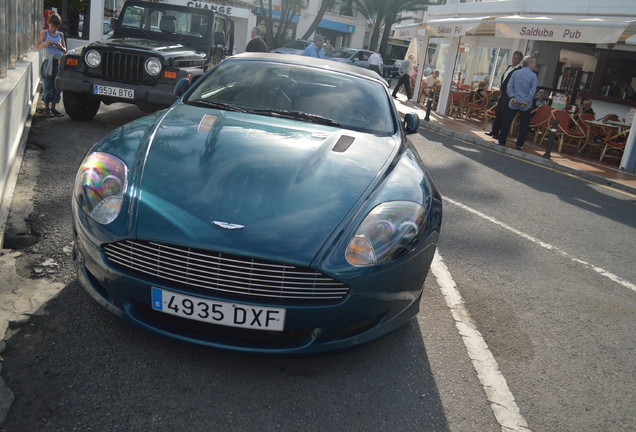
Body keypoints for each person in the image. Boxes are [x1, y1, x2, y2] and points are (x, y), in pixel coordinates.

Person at [498, 56, 538, 150]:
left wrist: (512, 97)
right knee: (524, 125)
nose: (535, 65)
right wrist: (526, 101)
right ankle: (519, 144)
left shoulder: (516, 72)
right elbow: (532, 91)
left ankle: (502, 141)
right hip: (525, 104)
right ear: (530, 63)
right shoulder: (533, 76)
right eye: (534, 63)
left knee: (507, 122)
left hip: (513, 101)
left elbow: (509, 85)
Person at [486, 50, 524, 139]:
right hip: (503, 94)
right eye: (514, 58)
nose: (515, 60)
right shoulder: (509, 67)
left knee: (504, 115)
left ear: (520, 60)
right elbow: (505, 79)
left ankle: (501, 134)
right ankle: (494, 131)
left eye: (517, 59)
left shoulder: (519, 70)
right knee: (498, 113)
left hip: (509, 95)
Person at [37, 12, 66, 118]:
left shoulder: (60, 35)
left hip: (58, 61)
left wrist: (60, 47)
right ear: (48, 24)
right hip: (48, 61)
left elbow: (65, 50)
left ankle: (54, 108)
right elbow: (38, 46)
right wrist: (45, 44)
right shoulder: (44, 33)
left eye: (56, 27)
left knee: (56, 86)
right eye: (52, 26)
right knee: (48, 85)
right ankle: (46, 108)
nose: (53, 29)